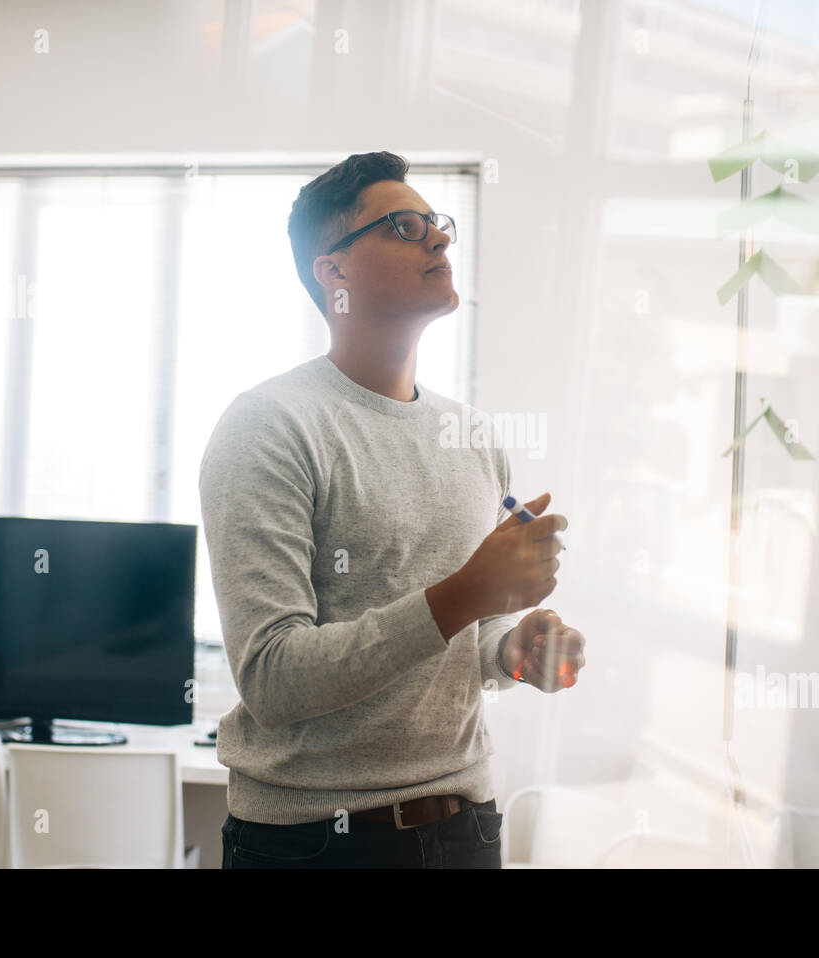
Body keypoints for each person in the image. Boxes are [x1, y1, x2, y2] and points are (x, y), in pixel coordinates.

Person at [199, 150, 586, 868]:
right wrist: (467, 591)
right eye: (404, 227)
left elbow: (469, 633)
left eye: (437, 223)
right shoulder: (269, 426)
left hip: (467, 827)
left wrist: (512, 644)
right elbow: (274, 677)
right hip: (314, 845)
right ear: (333, 272)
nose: (438, 239)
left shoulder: (472, 436)